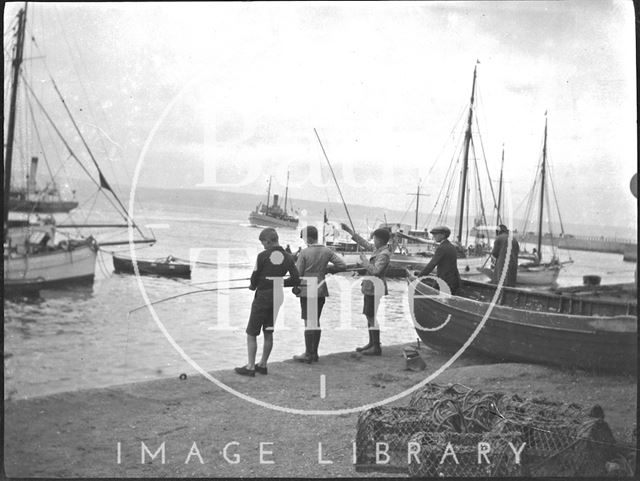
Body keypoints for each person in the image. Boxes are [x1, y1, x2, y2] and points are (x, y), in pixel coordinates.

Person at [235, 228, 299, 377]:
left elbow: (254, 278)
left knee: (251, 332)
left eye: (263, 242)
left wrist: (252, 286)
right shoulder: (289, 258)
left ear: (269, 241)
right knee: (268, 332)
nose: (263, 246)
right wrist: (280, 282)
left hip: (263, 296)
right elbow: (296, 279)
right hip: (277, 296)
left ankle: (250, 367)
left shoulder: (262, 256)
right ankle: (263, 365)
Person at [292, 226, 347, 363]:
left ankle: (308, 354)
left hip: (306, 289)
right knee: (316, 321)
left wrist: (294, 286)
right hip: (321, 289)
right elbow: (342, 265)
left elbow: (297, 274)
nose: (304, 241)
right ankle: (314, 353)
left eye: (304, 238)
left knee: (308, 322)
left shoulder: (304, 253)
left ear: (309, 238)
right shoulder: (327, 250)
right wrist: (327, 269)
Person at [341, 223, 391, 356]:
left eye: (374, 239)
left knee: (371, 316)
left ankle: (376, 346)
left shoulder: (384, 254)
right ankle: (371, 343)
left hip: (375, 287)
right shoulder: (379, 249)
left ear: (379, 240)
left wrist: (364, 261)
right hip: (371, 287)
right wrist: (350, 231)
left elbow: (376, 271)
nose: (373, 241)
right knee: (369, 315)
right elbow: (364, 243)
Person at [416, 226, 460, 294]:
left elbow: (432, 264)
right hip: (454, 281)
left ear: (443, 235)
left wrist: (419, 277)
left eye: (436, 234)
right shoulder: (452, 247)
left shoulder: (442, 248)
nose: (434, 236)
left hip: (444, 281)